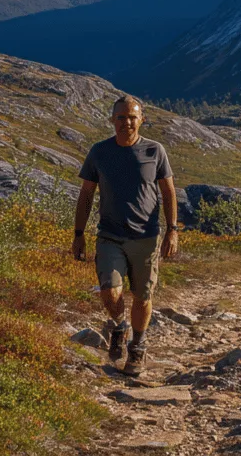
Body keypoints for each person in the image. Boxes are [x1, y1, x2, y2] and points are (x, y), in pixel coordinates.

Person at [72, 95, 179, 375]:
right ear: (112, 120)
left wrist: (173, 230)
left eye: (132, 117)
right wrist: (78, 234)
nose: (127, 123)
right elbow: (86, 194)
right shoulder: (99, 152)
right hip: (110, 235)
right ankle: (120, 327)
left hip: (146, 237)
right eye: (121, 117)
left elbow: (168, 192)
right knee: (110, 290)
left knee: (142, 297)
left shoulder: (155, 151)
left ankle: (138, 347)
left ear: (141, 120)